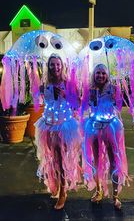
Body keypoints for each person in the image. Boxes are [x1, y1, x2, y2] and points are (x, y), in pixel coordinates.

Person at [35, 54, 82, 210]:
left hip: (64, 127)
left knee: (61, 160)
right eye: (52, 65)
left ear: (62, 66)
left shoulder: (68, 84)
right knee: (52, 159)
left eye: (58, 64)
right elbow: (39, 99)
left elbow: (78, 104)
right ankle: (56, 184)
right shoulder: (45, 85)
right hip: (48, 126)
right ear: (48, 67)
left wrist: (66, 95)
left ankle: (63, 191)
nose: (55, 67)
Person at [82, 64, 129, 210]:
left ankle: (115, 196)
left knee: (114, 161)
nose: (100, 76)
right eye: (98, 73)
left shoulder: (113, 88)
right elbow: (84, 106)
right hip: (94, 126)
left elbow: (119, 107)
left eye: (103, 73)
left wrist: (118, 96)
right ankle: (98, 190)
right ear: (94, 75)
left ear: (107, 75)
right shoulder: (90, 89)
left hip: (110, 126)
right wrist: (87, 97)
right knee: (97, 161)